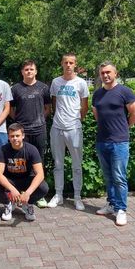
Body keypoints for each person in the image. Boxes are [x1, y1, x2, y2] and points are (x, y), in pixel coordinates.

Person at [92, 62, 135, 226]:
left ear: (115, 73)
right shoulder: (97, 94)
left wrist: (125, 127)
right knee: (108, 177)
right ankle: (111, 204)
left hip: (119, 142)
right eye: (102, 73)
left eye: (108, 72)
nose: (105, 75)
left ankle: (121, 209)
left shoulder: (125, 92)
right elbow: (97, 114)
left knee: (119, 177)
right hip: (102, 141)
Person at [47, 53, 89, 211]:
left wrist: (76, 120)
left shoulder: (81, 83)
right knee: (58, 164)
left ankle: (77, 197)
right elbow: (54, 103)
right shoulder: (56, 82)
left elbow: (84, 106)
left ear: (75, 64)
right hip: (57, 128)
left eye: (71, 62)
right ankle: (58, 195)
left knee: (77, 165)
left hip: (74, 129)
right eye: (66, 62)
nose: (68, 65)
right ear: (62, 64)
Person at [10, 60, 51, 207]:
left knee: (39, 161)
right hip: (22, 132)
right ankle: (21, 192)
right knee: (21, 162)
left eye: (31, 69)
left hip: (39, 130)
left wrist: (39, 120)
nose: (29, 72)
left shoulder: (43, 88)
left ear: (36, 71)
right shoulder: (15, 89)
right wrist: (20, 124)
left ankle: (38, 194)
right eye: (26, 69)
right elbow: (11, 110)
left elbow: (48, 108)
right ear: (22, 72)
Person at [0, 123, 49, 222]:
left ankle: (28, 204)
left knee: (43, 188)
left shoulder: (31, 149)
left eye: (17, 135)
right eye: (12, 136)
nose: (15, 138)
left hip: (27, 179)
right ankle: (8, 204)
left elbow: (40, 174)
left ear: (23, 136)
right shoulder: (3, 149)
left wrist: (28, 193)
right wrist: (12, 189)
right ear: (8, 137)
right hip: (11, 180)